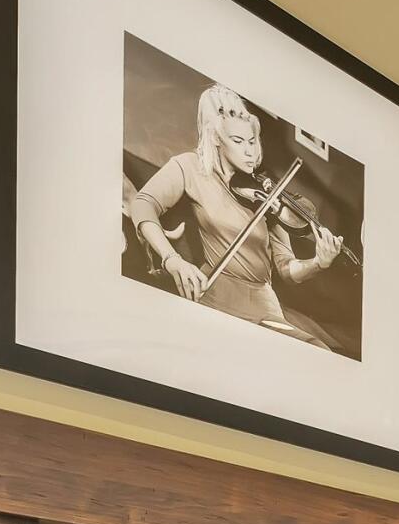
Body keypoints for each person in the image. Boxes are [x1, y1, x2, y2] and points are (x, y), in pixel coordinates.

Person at [123, 84, 343, 342]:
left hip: (266, 308)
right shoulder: (190, 167)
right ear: (216, 138)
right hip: (218, 296)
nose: (249, 151)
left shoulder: (265, 191)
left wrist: (318, 263)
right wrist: (172, 259)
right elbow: (142, 204)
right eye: (238, 141)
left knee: (316, 349)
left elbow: (286, 269)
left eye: (252, 141)